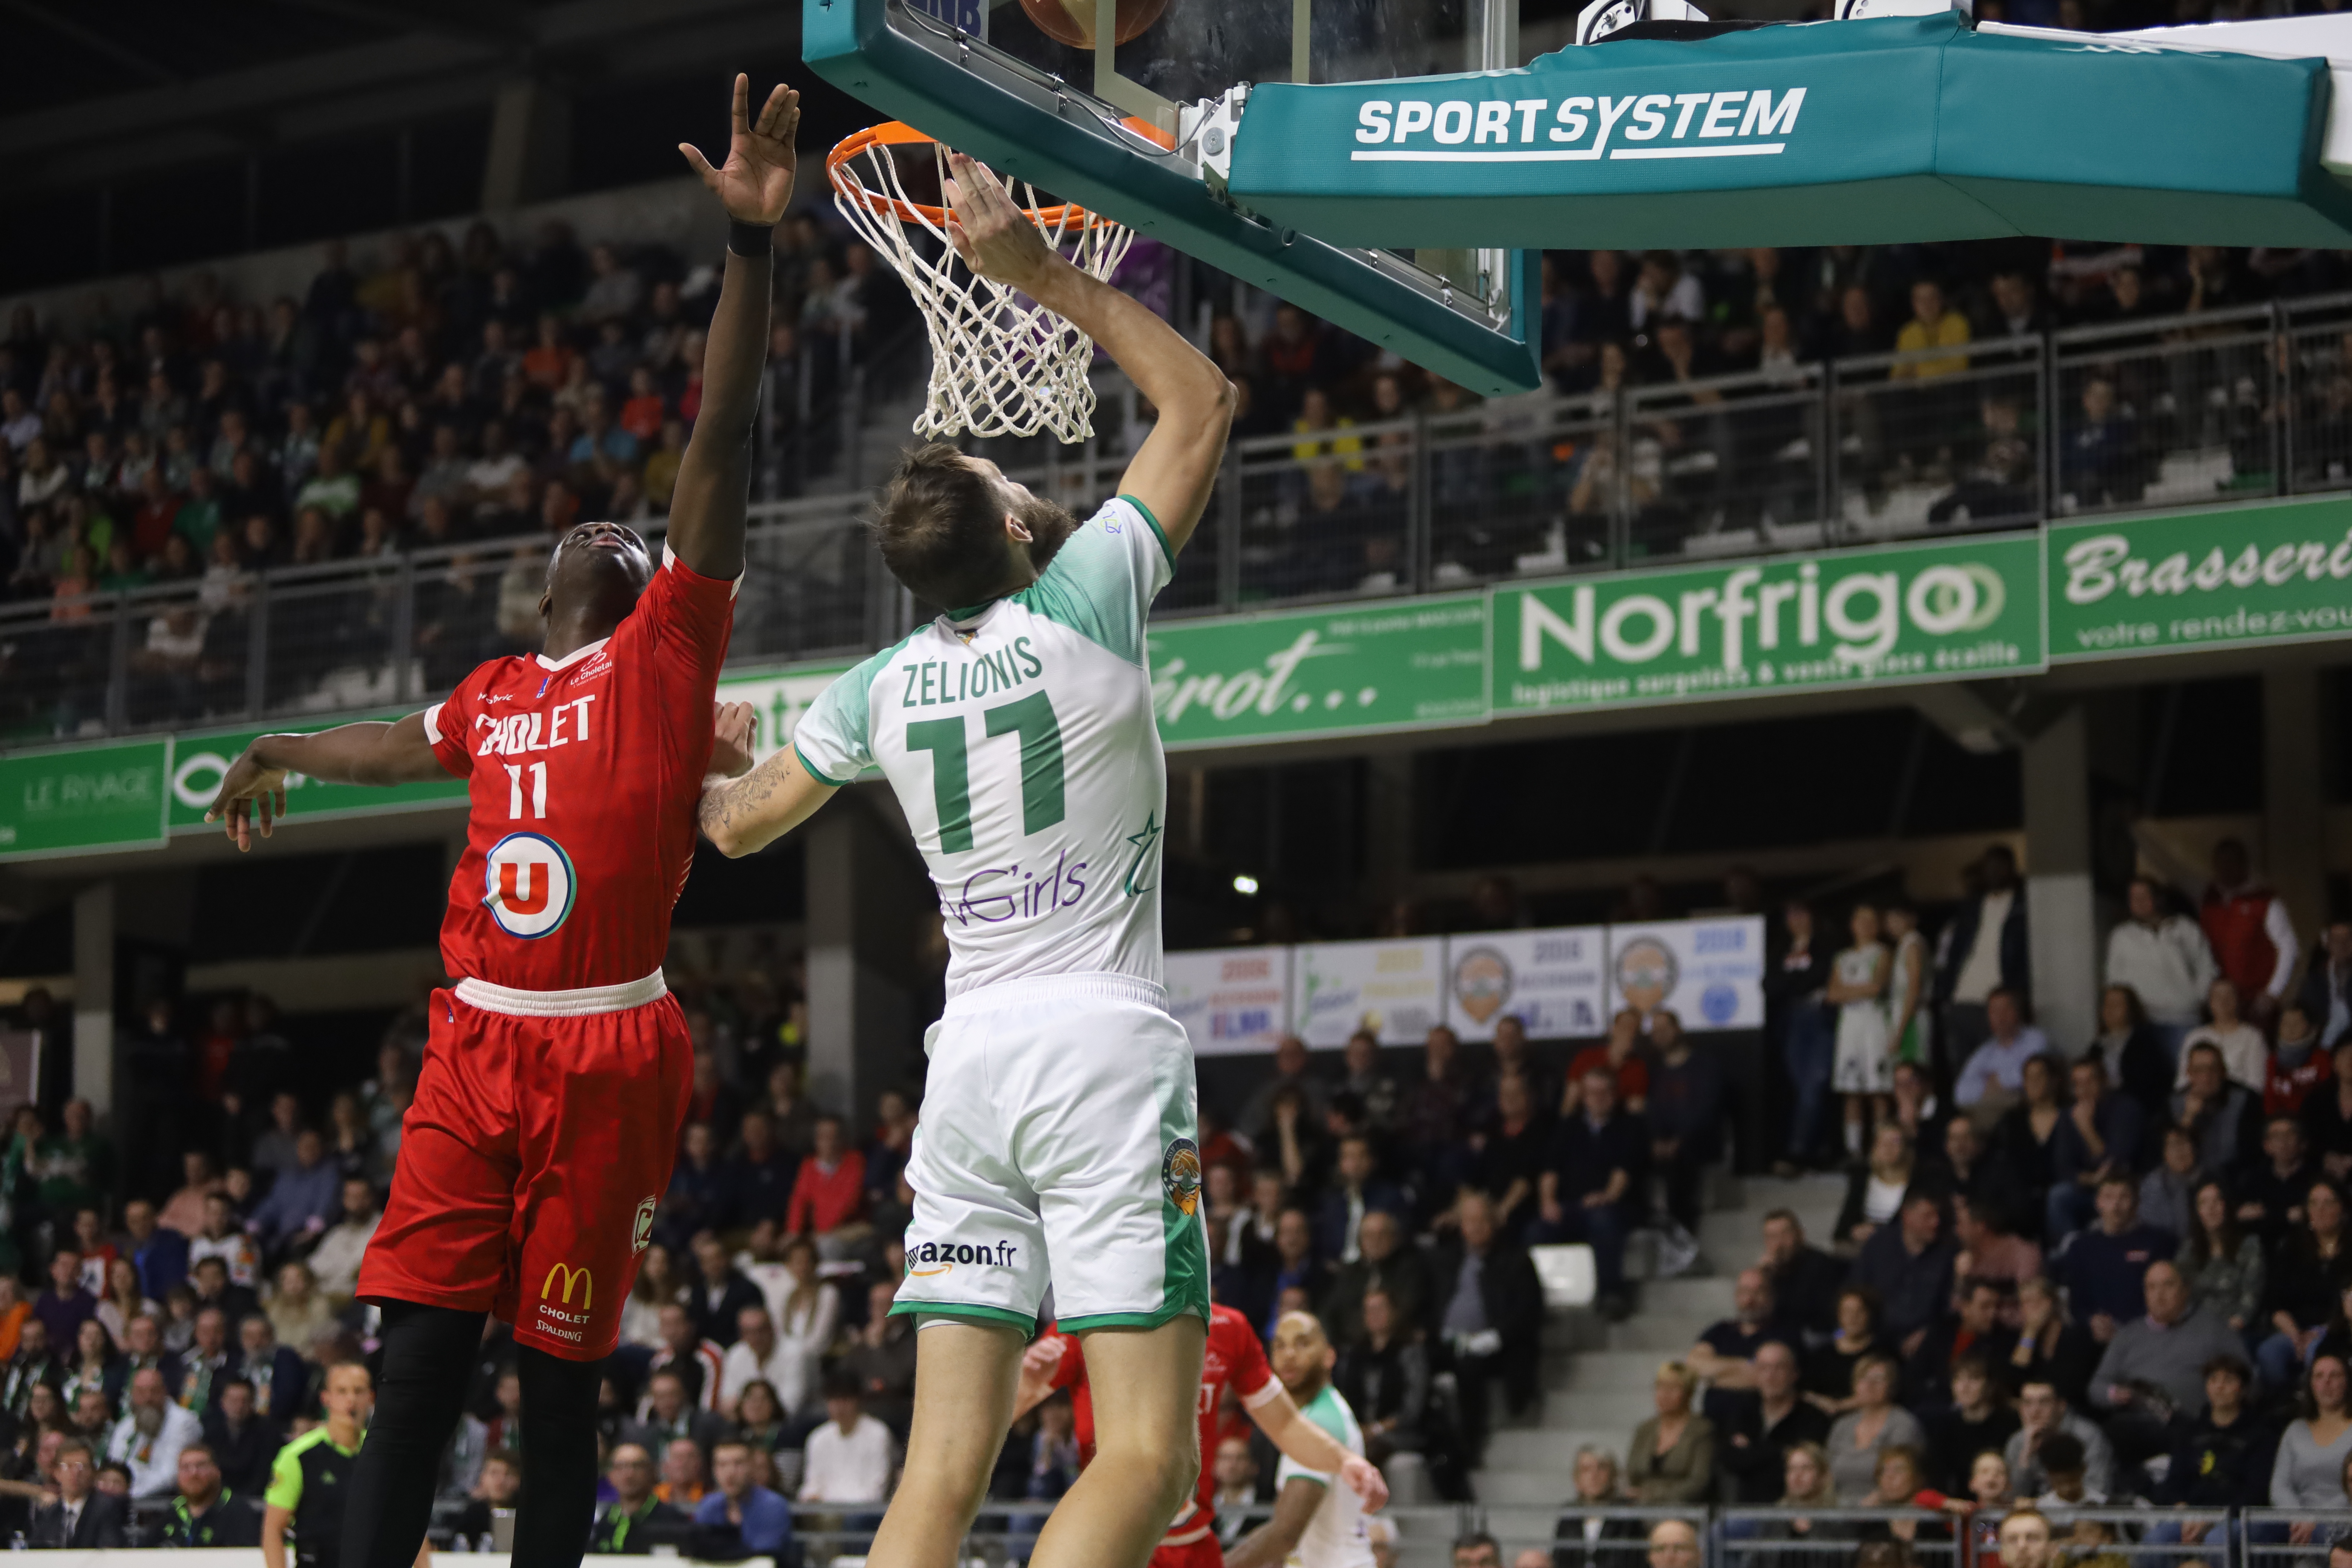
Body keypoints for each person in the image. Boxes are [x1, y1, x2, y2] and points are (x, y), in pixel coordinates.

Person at [201, 75, 798, 1568]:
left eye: (614, 529)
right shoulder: (494, 685)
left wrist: (749, 251)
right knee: (410, 1371)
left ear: (641, 564)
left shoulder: (664, 655)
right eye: (573, 531)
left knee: (556, 1389)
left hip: (608, 1049)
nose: (580, 529)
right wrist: (279, 741)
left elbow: (719, 438)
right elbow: (394, 743)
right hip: (473, 1044)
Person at [694, 142, 1241, 1568]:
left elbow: (736, 826)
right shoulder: (1088, 595)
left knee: (936, 1477)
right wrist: (1042, 278)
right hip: (1100, 1054)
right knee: (1144, 1451)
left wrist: (708, 751)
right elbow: (1204, 400)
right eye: (1011, 477)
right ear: (1015, 529)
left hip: (972, 1068)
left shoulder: (876, 687)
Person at [1017, 1298, 1390, 1568]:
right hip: (1113, 1539)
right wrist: (1027, 1385)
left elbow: (1286, 1423)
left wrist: (1344, 1459)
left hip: (1194, 1543)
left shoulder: (1228, 1328)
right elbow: (1000, 1413)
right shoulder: (1084, 1321)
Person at [1224, 1313, 1375, 1568]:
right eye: (1280, 1346)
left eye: (1303, 1343)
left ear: (1330, 1356)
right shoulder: (1316, 1414)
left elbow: (1285, 1534)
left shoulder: (1319, 1421)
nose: (1289, 1355)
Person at [2090, 1259, 2242, 1462]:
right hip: (2135, 1422)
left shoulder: (2213, 1329)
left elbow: (2246, 1377)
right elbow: (2097, 1386)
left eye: (2168, 1286)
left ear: (2186, 1290)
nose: (2159, 1296)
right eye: (2152, 1288)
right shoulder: (2128, 1336)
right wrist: (2115, 1394)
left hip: (2191, 1424)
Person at [1431, 1188, 1541, 1465]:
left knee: (1469, 1367)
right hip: (1447, 1341)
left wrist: (1494, 1337)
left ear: (1495, 1223)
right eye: (1469, 1221)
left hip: (1496, 1346)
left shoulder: (1516, 1260)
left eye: (1483, 1220)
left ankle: (1469, 1448)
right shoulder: (1445, 1259)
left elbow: (1527, 1311)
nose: (1476, 1227)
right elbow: (1432, 1303)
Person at [1535, 1066, 1647, 1319]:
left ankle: (1611, 1293)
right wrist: (1548, 1202)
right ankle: (1538, 1299)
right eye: (1591, 1093)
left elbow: (1625, 1169)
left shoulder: (1631, 1126)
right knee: (1537, 1230)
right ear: (1583, 1097)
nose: (1598, 1098)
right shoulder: (1568, 1128)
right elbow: (1550, 1170)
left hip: (1617, 1205)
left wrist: (1608, 1195)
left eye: (1604, 1092)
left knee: (1603, 1220)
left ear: (1614, 1094)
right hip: (1572, 1206)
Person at [263, 1361, 374, 1568]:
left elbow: (408, 1524)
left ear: (371, 1398)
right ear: (326, 1398)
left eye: (359, 1391)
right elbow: (273, 1531)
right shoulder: (298, 1456)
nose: (351, 1400)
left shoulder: (382, 1454)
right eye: (342, 1391)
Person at [2105, 878, 2219, 1063]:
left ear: (2158, 899)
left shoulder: (2187, 929)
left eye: (2144, 896)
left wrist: (2196, 999)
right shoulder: (2121, 937)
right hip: (2142, 1024)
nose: (2139, 903)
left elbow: (2207, 969)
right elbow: (2115, 982)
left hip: (2184, 1019)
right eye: (2134, 898)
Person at [2053, 1173, 2176, 1343]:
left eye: (2124, 1197)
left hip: (2144, 1336)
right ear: (2098, 1202)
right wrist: (2091, 1321)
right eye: (2109, 1197)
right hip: (2093, 1337)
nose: (2116, 1205)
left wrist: (2125, 1329)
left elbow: (2164, 1298)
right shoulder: (2081, 1248)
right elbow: (2077, 1303)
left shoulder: (2159, 1243)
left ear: (2136, 1203)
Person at [2258, 1178, 2352, 1390]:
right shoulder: (2291, 1247)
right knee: (2269, 1353)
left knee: (2317, 1353)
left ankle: (2317, 1405)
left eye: (2328, 1203)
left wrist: (2322, 1331)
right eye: (2314, 1203)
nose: (2320, 1210)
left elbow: (2348, 1303)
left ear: (2343, 1209)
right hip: (2294, 1329)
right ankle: (2284, 1404)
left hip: (2336, 1330)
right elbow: (2274, 1301)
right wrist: (2295, 1335)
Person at [1940, 845, 2029, 1068]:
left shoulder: (2023, 907)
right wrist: (1946, 994)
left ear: (2012, 869)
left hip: (1997, 999)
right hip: (1962, 999)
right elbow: (1955, 953)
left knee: (1999, 1067)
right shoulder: (1971, 908)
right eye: (1989, 867)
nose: (1994, 872)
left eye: (2000, 867)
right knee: (1963, 1071)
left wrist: (2017, 996)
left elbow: (2025, 959)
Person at [2047, 1054, 2145, 1243]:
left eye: (2090, 1081)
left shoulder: (2127, 1109)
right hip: (2088, 1189)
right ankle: (2072, 1250)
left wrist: (2087, 1130)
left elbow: (2118, 1165)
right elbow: (2062, 1166)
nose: (2084, 1090)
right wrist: (2091, 1179)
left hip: (2124, 1189)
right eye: (2078, 1084)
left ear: (2104, 1081)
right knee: (2058, 1196)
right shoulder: (2069, 1116)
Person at [2201, 838, 2298, 1025]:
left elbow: (2288, 948)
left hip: (2255, 1000)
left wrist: (2273, 992)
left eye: (2231, 862)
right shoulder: (2209, 899)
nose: (2226, 868)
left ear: (2244, 864)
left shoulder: (2263, 900)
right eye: (2221, 863)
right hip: (2220, 1000)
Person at [2158, 1355, 2275, 1510]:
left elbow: (2256, 1490)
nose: (2220, 1387)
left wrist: (2218, 1518)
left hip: (2235, 1518)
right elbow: (2175, 1480)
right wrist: (2182, 1508)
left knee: (2217, 1536)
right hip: (2190, 1515)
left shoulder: (2261, 1435)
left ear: (2244, 1389)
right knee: (2158, 1535)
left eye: (2229, 1381)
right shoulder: (2190, 1432)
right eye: (2213, 1380)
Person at [1719, 1340, 1829, 1503]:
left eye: (1779, 1368)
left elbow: (1804, 1466)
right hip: (1744, 1507)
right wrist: (1779, 1451)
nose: (1770, 1376)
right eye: (1764, 1368)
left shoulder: (1814, 1418)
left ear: (1794, 1374)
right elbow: (1730, 1460)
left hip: (1793, 1508)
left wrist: (1752, 1451)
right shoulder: (1742, 1410)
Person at [1850, 1193, 1957, 1355]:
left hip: (1925, 1342)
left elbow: (1949, 1306)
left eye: (1937, 1215)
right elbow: (1858, 1289)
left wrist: (1929, 1333)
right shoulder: (1879, 1246)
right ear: (1907, 1216)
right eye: (1928, 1216)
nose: (1936, 1222)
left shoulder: (1947, 1253)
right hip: (1877, 1337)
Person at [1827, 903, 1893, 1157]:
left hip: (1874, 1022)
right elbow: (1832, 994)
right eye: (1860, 921)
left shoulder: (1882, 953)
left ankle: (1881, 1145)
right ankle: (1853, 1148)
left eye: (1870, 921)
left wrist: (1849, 991)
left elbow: (1878, 987)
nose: (1865, 926)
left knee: (1878, 1088)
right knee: (1851, 1088)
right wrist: (1859, 990)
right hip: (1850, 1026)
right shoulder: (1842, 958)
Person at [1825, 1353, 1925, 1501]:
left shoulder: (1903, 1425)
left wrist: (1877, 1501)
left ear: (1892, 1386)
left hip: (1886, 1509)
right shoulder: (1842, 1426)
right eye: (1863, 1379)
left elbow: (1904, 1478)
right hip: (1839, 1507)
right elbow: (1827, 1473)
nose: (1869, 1385)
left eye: (1878, 1379)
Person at [2178, 1178, 2266, 1337]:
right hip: (2197, 1330)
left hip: (2236, 1330)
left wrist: (2234, 1325)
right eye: (2204, 1203)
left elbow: (2251, 1296)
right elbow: (2182, 1295)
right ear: (2197, 1211)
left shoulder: (2250, 1246)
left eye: (2217, 1201)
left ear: (2227, 1206)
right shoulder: (2188, 1250)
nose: (2211, 1209)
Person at [2004, 1378, 2114, 1498]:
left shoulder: (2087, 1436)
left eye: (2044, 1402)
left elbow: (2099, 1489)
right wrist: (2026, 1456)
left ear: (2061, 1406)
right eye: (2028, 1403)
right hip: (2033, 1515)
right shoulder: (2017, 1441)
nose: (2035, 1411)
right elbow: (2011, 1498)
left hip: (2078, 1511)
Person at [1924, 1355, 2018, 1493]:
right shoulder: (1943, 1428)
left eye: (1974, 1379)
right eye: (1958, 1380)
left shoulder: (2010, 1425)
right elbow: (1937, 1479)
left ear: (1990, 1386)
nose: (1964, 1387)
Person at [107, 1363, 203, 1498]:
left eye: (154, 1391)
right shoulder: (125, 1427)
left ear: (165, 1392)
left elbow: (171, 1476)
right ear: (133, 1395)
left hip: (167, 1500)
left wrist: (129, 1496)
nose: (148, 1398)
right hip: (126, 1499)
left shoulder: (184, 1423)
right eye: (141, 1392)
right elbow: (114, 1467)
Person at [798, 1373, 894, 1506]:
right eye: (834, 1401)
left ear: (858, 1401)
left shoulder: (878, 1434)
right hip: (825, 1512)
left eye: (845, 1400)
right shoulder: (818, 1438)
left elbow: (877, 1487)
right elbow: (812, 1484)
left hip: (863, 1512)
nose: (839, 1407)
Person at [2273, 1352, 2352, 1511]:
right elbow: (2280, 1486)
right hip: (2296, 1521)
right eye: (2319, 1376)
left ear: (2347, 1382)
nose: (2327, 1382)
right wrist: (2299, 1518)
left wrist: (2317, 1520)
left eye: (2335, 1376)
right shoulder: (2295, 1430)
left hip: (2343, 1519)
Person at [1626, 1361, 1713, 1503]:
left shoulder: (1702, 1431)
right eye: (1660, 1386)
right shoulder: (1645, 1429)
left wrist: (1653, 1496)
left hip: (1683, 1508)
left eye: (1673, 1388)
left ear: (1689, 1393)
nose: (1665, 1394)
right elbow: (1632, 1474)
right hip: (1640, 1507)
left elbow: (1699, 1482)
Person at [694, 1439, 792, 1555]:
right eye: (722, 1465)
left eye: (739, 1464)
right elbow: (698, 1549)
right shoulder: (708, 1505)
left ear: (752, 1467)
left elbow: (762, 1557)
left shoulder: (773, 1506)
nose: (730, 1473)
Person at [1759, 1209, 1844, 1339]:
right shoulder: (1767, 1271)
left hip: (1814, 1334)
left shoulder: (1821, 1265)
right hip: (1779, 1336)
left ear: (1800, 1235)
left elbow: (1821, 1316)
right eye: (1772, 1237)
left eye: (1784, 1235)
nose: (1779, 1244)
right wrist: (1763, 1278)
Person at [1551, 1448, 1643, 1568]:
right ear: (1577, 1480)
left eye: (1602, 1468)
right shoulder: (1569, 1515)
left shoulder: (1627, 1514)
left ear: (1613, 1476)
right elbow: (1560, 1559)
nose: (1594, 1476)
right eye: (1586, 1470)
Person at [590, 1443, 688, 1553]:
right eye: (621, 1467)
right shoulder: (606, 1520)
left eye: (637, 1466)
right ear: (610, 1475)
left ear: (651, 1472)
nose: (629, 1474)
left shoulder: (672, 1519)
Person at [29, 1438, 127, 1548]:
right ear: (57, 1473)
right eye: (68, 1466)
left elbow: (110, 1549)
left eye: (82, 1467)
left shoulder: (106, 1509)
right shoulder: (51, 1513)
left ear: (93, 1473)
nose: (75, 1473)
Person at [163, 1439, 263, 1547]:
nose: (193, 1474)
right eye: (185, 1468)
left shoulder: (239, 1513)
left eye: (201, 1466)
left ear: (217, 1472)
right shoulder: (173, 1512)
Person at [2176, 977, 2268, 1093]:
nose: (2223, 1002)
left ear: (2237, 1000)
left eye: (2229, 996)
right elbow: (2183, 1082)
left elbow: (2256, 1084)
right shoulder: (2194, 1036)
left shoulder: (2253, 1037)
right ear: (2210, 1002)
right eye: (2217, 996)